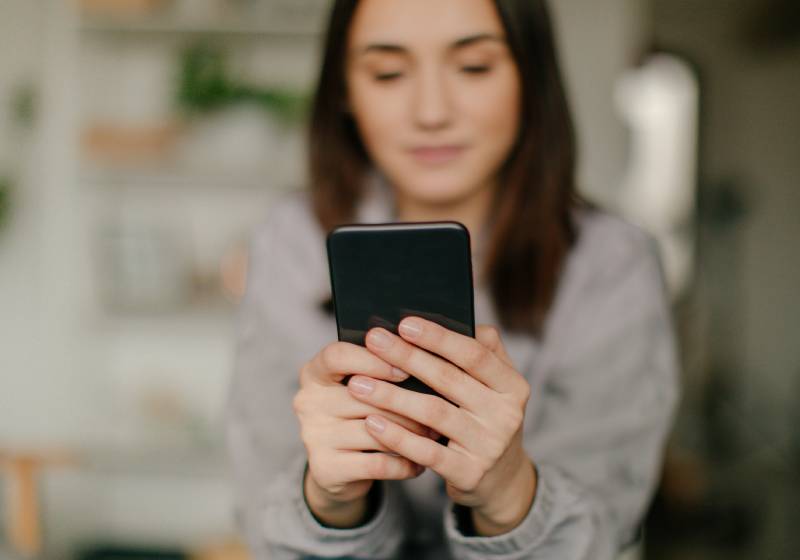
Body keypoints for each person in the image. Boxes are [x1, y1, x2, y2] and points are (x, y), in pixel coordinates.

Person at [225, 0, 680, 558]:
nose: (432, 112)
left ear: (530, 79)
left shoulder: (611, 263)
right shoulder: (289, 243)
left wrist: (510, 492)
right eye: (388, 73)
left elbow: (604, 527)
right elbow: (261, 517)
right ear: (344, 90)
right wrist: (332, 503)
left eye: (475, 67)